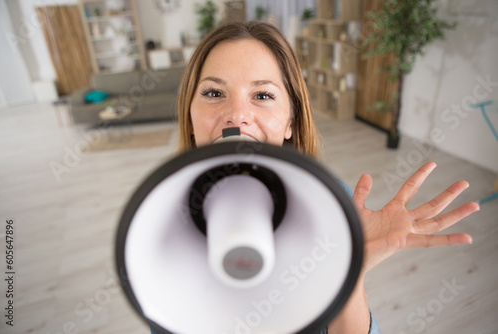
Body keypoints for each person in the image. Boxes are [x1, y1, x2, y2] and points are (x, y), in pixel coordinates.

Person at [174, 21, 479, 333]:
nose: (237, 115)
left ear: (291, 121)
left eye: (263, 95)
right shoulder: (156, 214)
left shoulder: (337, 206)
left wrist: (350, 273)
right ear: (190, 115)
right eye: (214, 92)